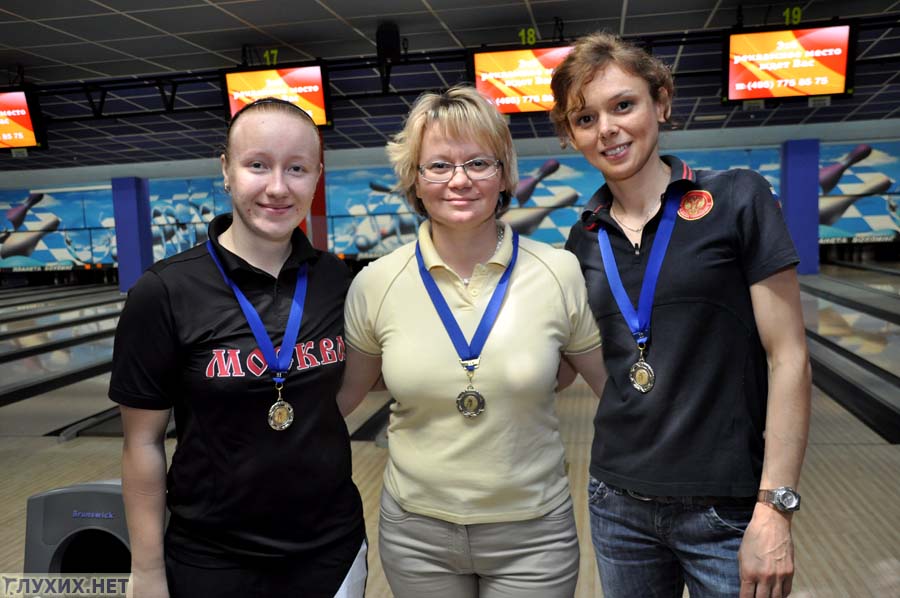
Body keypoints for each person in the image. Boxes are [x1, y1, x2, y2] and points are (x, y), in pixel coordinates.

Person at [550, 32, 812, 598]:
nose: (607, 129)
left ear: (661, 103)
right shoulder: (583, 239)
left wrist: (776, 507)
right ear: (571, 134)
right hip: (617, 503)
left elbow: (789, 357)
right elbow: (568, 366)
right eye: (586, 118)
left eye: (623, 105)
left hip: (727, 507)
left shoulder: (739, 198)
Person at [336, 84, 608, 598]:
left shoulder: (558, 271)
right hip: (416, 536)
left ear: (503, 174)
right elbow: (344, 399)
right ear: (415, 180)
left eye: (479, 163)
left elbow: (614, 390)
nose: (459, 180)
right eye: (438, 166)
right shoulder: (376, 283)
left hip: (534, 536)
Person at [109, 98, 366, 598]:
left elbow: (334, 402)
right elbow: (141, 444)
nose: (278, 187)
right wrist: (147, 570)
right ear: (226, 170)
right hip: (210, 558)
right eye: (257, 165)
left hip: (330, 550)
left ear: (317, 177)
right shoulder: (164, 292)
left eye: (297, 168)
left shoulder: (337, 280)